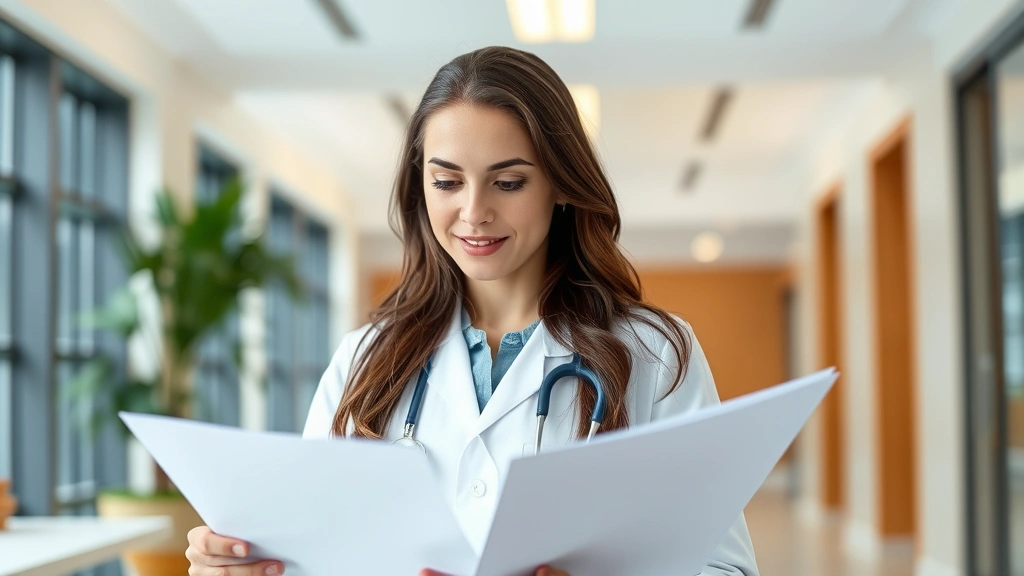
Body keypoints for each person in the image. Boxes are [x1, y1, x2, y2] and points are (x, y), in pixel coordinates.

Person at [185, 46, 760, 576]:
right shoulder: (365, 357)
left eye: (508, 182)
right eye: (446, 181)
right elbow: (311, 549)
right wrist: (243, 565)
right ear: (421, 186)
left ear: (562, 183)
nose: (474, 211)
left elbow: (726, 568)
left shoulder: (653, 352)